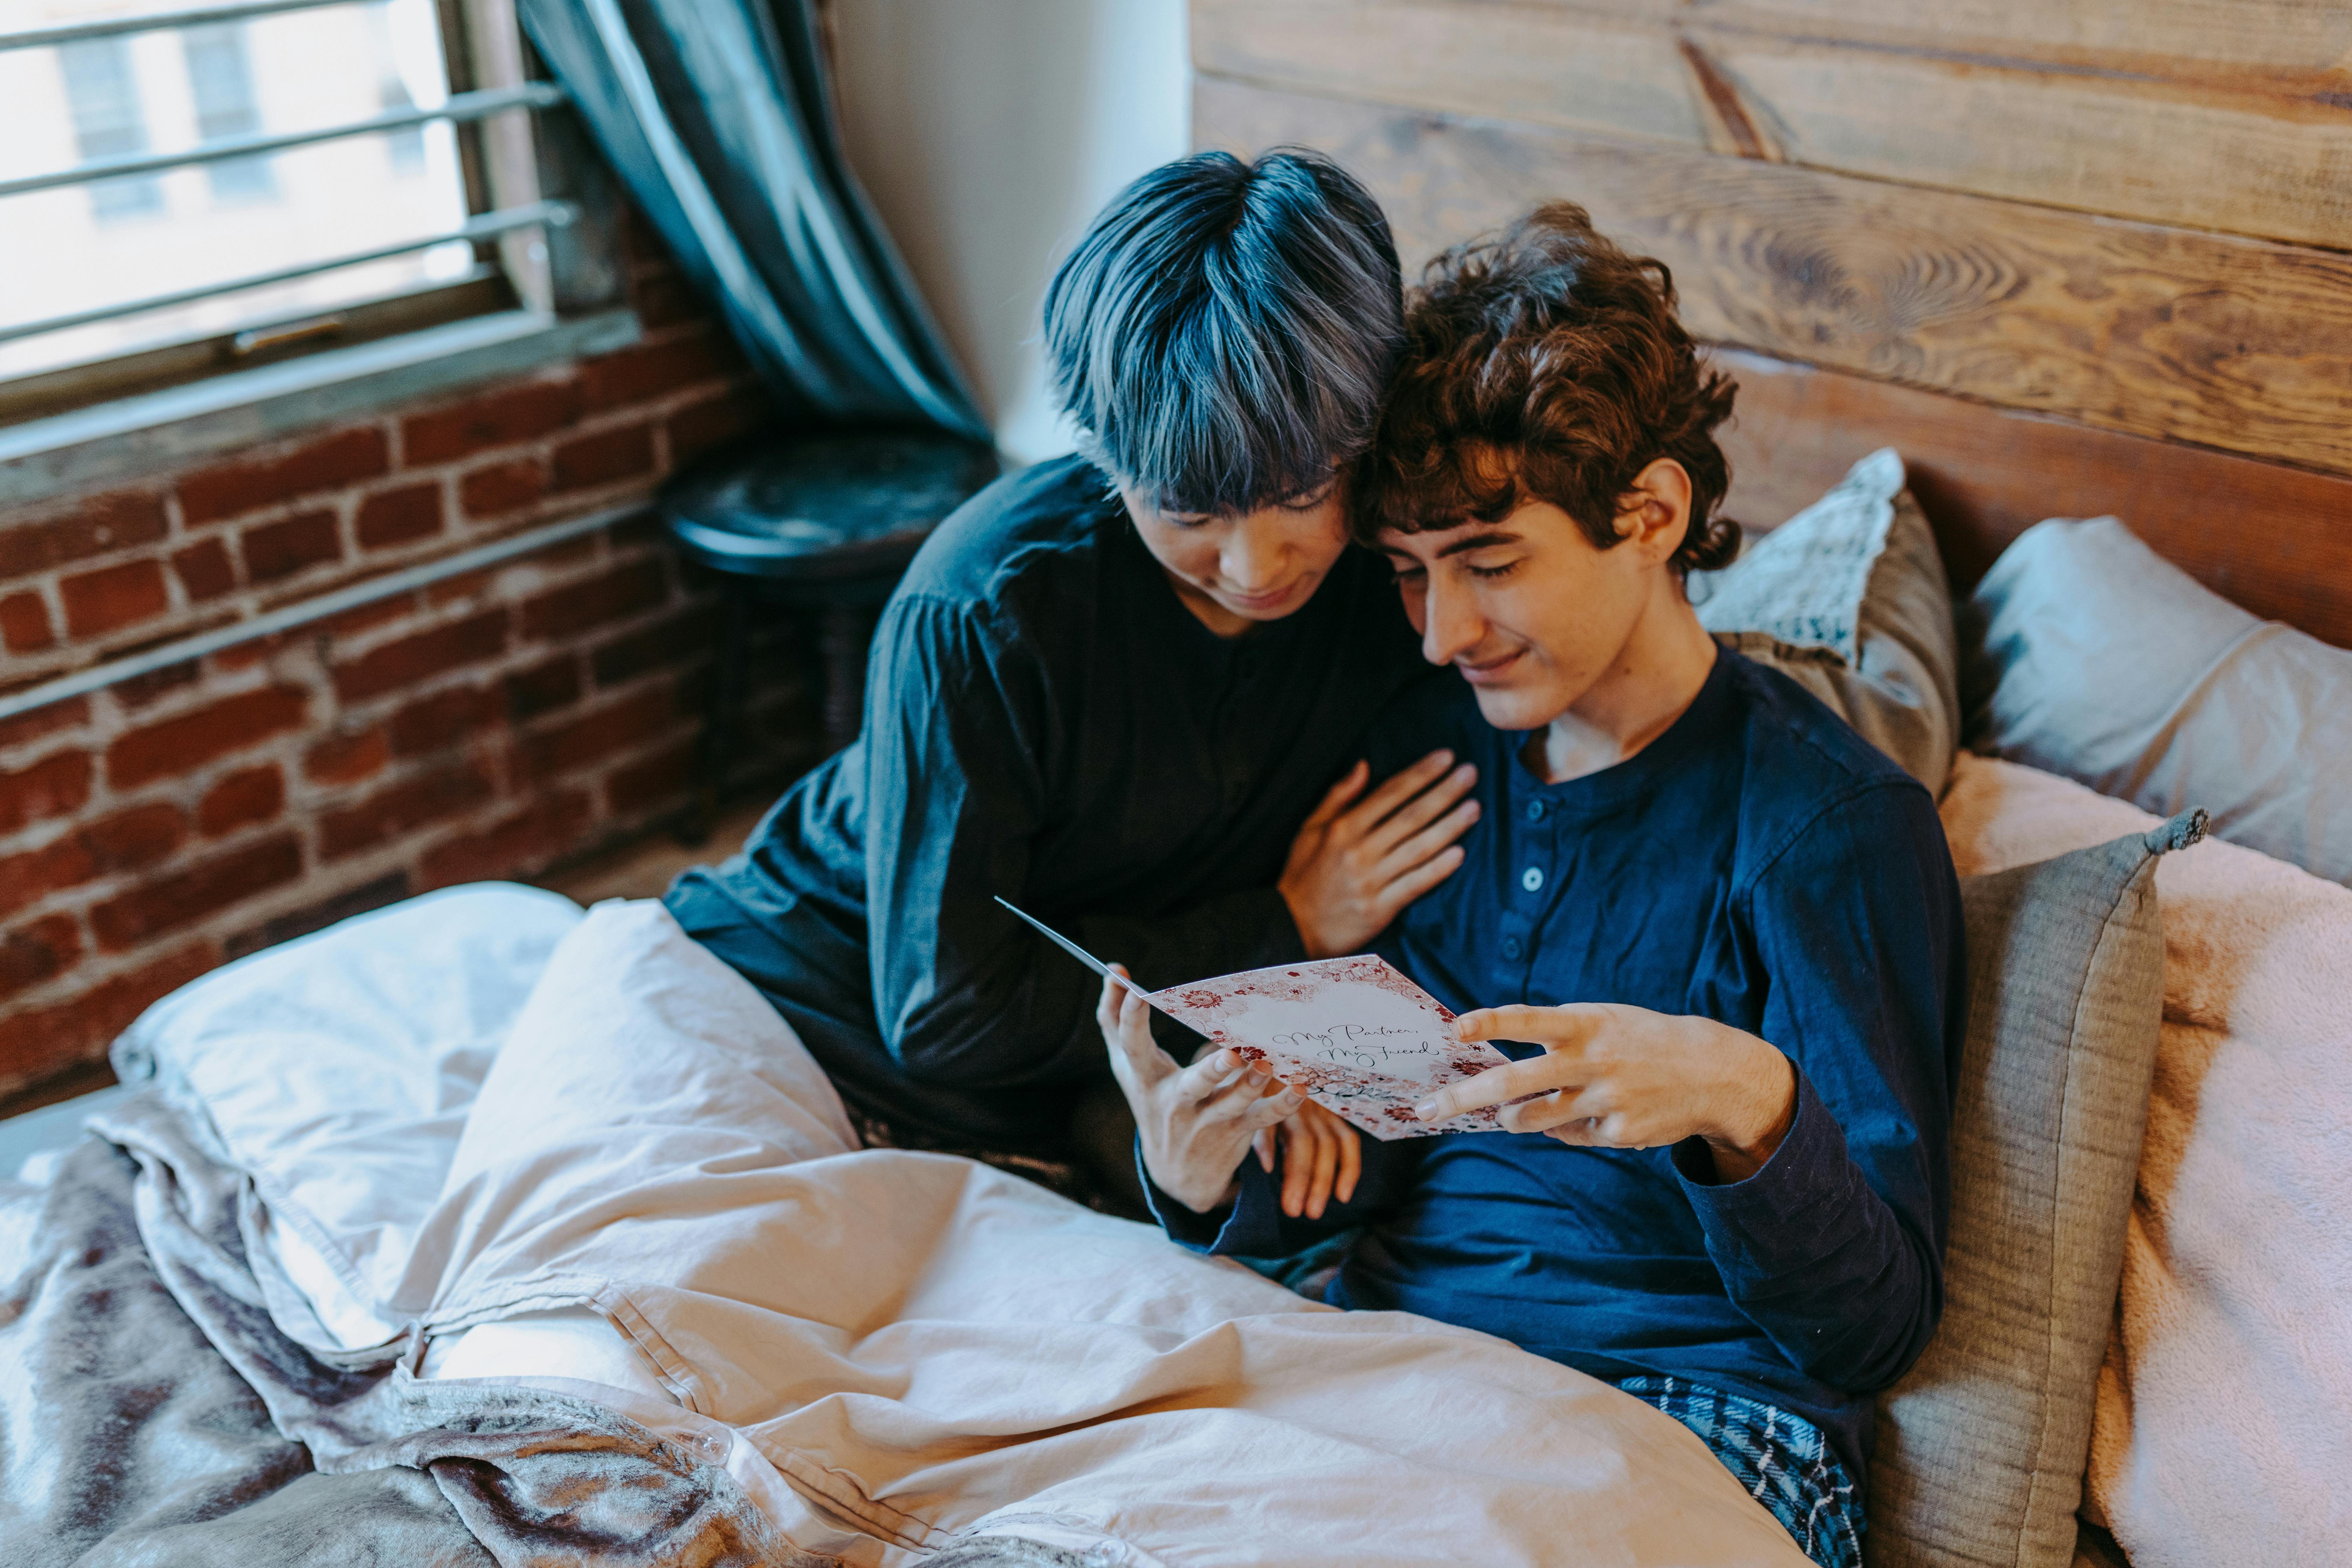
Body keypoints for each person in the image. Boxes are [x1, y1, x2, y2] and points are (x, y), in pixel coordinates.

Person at [1100, 204, 1965, 1567]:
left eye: (1491, 565)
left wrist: (1743, 1099)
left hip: (1692, 1414)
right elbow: (1363, 1165)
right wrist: (1203, 1175)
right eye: (1410, 576)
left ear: (1652, 511)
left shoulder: (1830, 826)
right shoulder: (1434, 758)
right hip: (1393, 1357)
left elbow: (1877, 1327)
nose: (1445, 632)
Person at [667, 150, 1477, 1206]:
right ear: (1105, 456)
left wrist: (1301, 1028)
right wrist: (1280, 937)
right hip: (799, 994)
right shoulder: (981, 612)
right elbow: (946, 1013)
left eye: (1302, 493)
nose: (1256, 566)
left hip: (1076, 1061)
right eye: (1189, 512)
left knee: (1296, 1193)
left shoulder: (1395, 576)